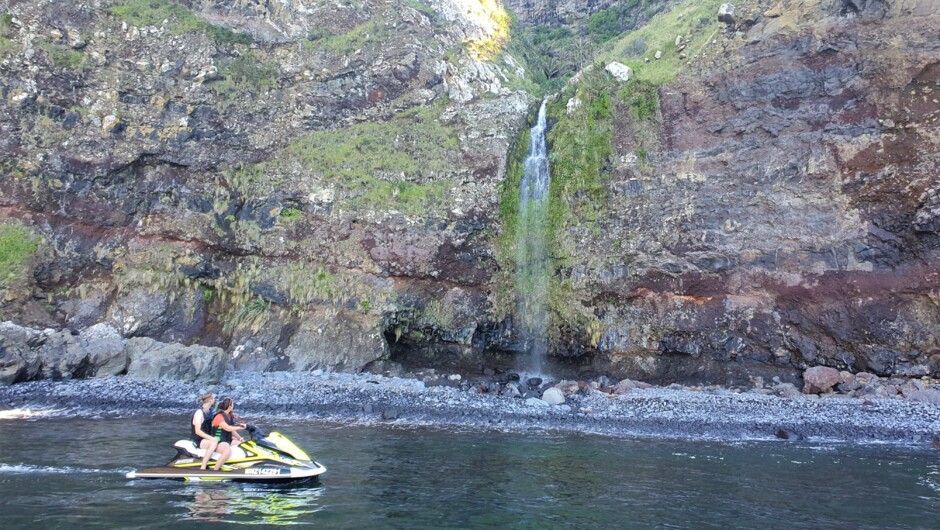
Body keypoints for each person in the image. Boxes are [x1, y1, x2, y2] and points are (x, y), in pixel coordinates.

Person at [211, 397, 247, 471]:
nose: (233, 406)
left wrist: (240, 438)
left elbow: (232, 430)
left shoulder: (229, 416)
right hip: (219, 441)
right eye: (233, 404)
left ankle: (241, 466)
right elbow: (227, 428)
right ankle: (215, 470)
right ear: (230, 406)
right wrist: (240, 427)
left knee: (243, 445)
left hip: (228, 439)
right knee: (227, 451)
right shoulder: (219, 416)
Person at [191, 392, 218, 470]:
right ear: (210, 400)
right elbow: (197, 431)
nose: (215, 400)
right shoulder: (199, 413)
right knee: (214, 442)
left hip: (207, 438)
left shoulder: (209, 412)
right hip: (198, 439)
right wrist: (211, 438)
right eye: (214, 398)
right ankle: (203, 467)